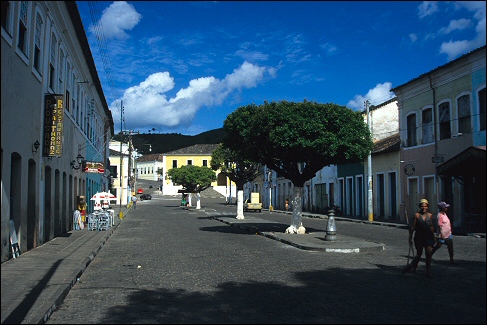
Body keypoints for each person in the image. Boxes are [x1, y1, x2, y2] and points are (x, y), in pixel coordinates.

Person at [402, 199, 436, 277]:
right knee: (419, 254)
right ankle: (412, 266)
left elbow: (431, 226)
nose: (424, 208)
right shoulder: (417, 215)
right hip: (419, 237)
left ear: (427, 207)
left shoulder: (430, 215)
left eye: (425, 206)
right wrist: (410, 237)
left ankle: (428, 271)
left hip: (428, 237)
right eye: (422, 206)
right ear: (420, 207)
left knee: (428, 254)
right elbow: (413, 227)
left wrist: (433, 236)